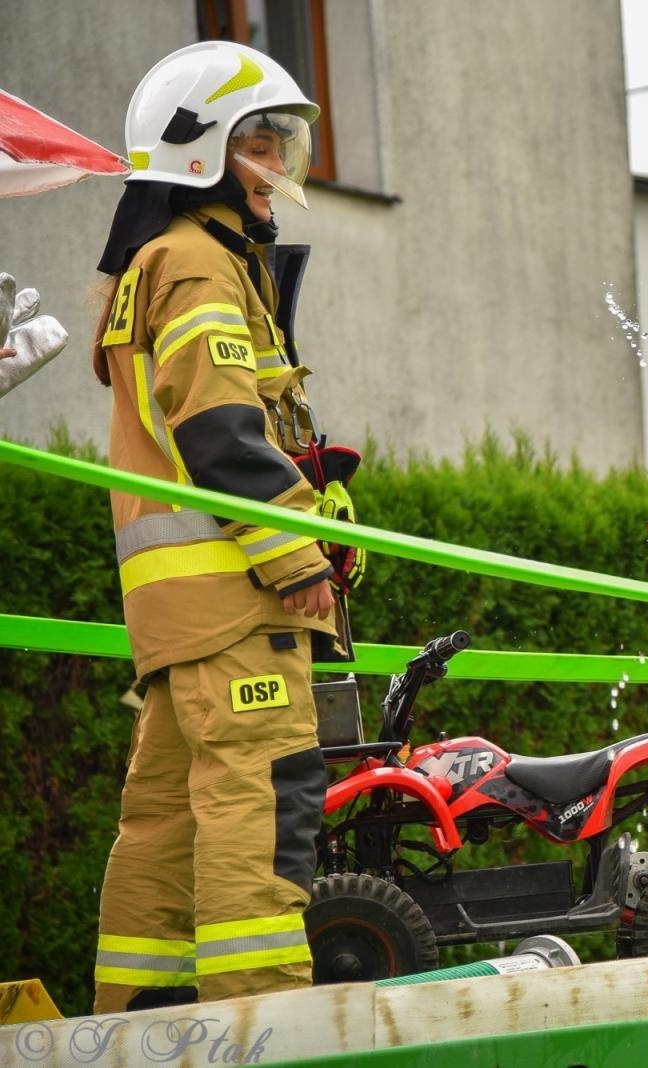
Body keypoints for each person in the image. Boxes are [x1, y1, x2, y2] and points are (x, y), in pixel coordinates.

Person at [89, 41, 345, 1011]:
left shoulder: (153, 265)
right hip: (236, 607)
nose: (281, 165)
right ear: (202, 155)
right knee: (260, 808)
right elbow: (222, 433)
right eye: (265, 145)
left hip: (177, 618)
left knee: (166, 825)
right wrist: (296, 555)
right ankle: (264, 1022)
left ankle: (132, 1028)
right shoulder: (198, 265)